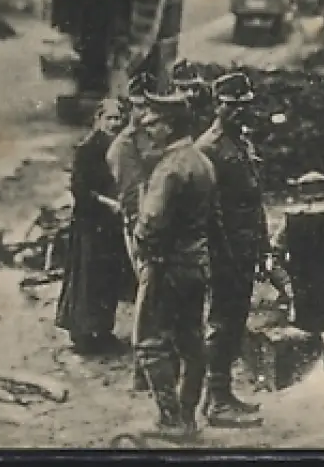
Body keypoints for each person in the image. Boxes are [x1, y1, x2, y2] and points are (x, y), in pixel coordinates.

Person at [131, 90, 217, 439]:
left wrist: (142, 249)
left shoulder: (169, 168)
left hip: (166, 266)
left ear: (169, 126)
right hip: (196, 264)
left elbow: (150, 222)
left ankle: (171, 419)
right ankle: (188, 414)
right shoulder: (202, 162)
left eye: (153, 122)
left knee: (149, 341)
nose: (148, 128)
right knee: (191, 340)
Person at [196, 72, 267, 427]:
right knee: (222, 323)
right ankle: (217, 400)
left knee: (235, 321)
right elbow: (206, 213)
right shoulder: (208, 148)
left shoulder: (240, 142)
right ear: (217, 105)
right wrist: (218, 256)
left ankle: (219, 395)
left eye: (244, 105)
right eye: (232, 105)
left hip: (245, 247)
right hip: (224, 252)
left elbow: (254, 199)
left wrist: (263, 245)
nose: (240, 111)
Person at [56, 99, 130, 355]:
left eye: (118, 118)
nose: (114, 123)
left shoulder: (118, 147)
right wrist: (108, 203)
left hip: (110, 224)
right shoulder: (87, 149)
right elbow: (80, 189)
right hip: (90, 222)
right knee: (88, 278)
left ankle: (103, 331)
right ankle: (83, 335)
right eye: (109, 118)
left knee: (108, 277)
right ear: (98, 119)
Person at [105, 73, 159, 391]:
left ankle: (154, 364)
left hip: (154, 222)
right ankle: (142, 369)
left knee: (156, 297)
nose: (145, 113)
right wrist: (143, 233)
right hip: (140, 227)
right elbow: (131, 198)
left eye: (148, 106)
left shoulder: (147, 139)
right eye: (139, 106)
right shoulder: (123, 147)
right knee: (147, 296)